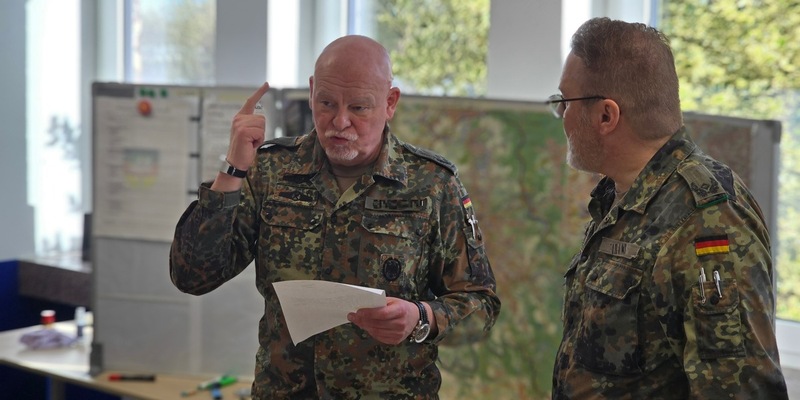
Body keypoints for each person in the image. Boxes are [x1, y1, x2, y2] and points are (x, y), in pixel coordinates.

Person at [169, 35, 500, 399]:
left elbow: (481, 305)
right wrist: (232, 170)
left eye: (359, 107)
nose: (339, 121)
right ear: (311, 92)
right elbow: (192, 276)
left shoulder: (432, 185)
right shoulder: (271, 172)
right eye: (326, 103)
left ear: (390, 103)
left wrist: (422, 318)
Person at [548, 17, 788, 399]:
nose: (561, 115)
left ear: (606, 116)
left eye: (564, 102)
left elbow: (741, 390)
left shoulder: (706, 220)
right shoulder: (620, 195)